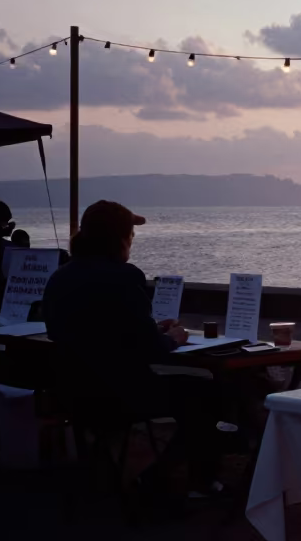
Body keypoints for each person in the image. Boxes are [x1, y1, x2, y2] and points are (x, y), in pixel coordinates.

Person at [42, 200, 223, 496]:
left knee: (199, 393)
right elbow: (153, 351)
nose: (132, 239)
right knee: (210, 393)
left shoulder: (60, 277)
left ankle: (166, 476)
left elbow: (94, 331)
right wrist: (173, 336)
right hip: (121, 396)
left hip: (77, 395)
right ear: (118, 238)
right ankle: (180, 480)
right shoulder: (124, 276)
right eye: (130, 233)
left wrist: (150, 330)